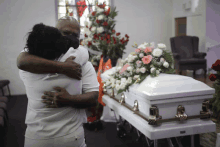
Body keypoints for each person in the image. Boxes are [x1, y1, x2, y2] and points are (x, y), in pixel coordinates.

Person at [18, 18, 99, 147]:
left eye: (75, 35)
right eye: (66, 33)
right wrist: (62, 67)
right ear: (55, 33)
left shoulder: (28, 63)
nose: (70, 38)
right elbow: (21, 61)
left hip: (61, 135)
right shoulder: (80, 59)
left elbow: (94, 97)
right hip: (49, 136)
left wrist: (68, 99)